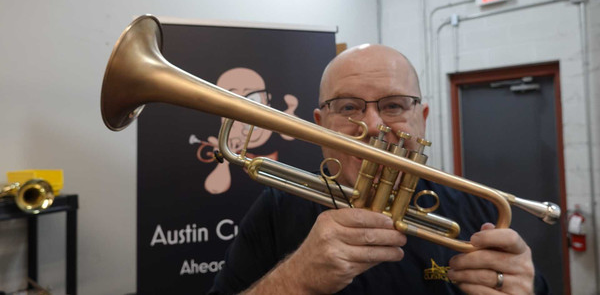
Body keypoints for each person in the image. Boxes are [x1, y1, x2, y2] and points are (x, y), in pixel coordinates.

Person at [209, 44, 547, 294]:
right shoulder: (276, 209)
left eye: (394, 105)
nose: (372, 126)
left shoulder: (479, 210)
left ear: (422, 120)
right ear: (320, 124)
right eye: (348, 107)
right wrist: (295, 279)